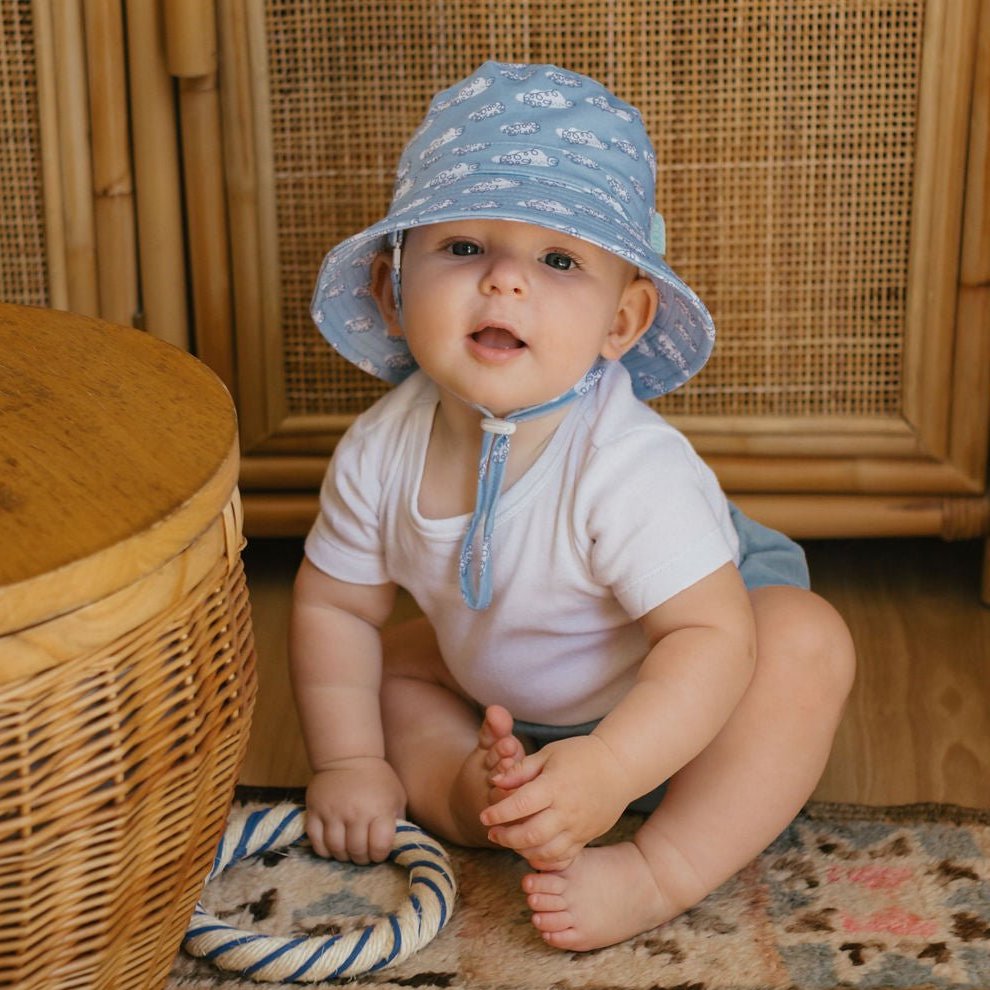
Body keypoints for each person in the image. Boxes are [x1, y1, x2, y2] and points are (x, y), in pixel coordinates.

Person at [291, 60, 855, 952]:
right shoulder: (377, 451)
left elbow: (709, 640)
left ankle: (656, 865)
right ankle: (484, 800)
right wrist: (349, 761)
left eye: (558, 260)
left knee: (803, 643)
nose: (506, 282)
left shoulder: (626, 465)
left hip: (686, 685)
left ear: (620, 325)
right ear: (391, 291)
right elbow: (334, 605)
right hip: (515, 697)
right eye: (464, 247)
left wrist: (613, 766)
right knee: (390, 669)